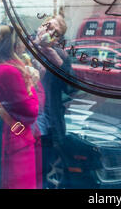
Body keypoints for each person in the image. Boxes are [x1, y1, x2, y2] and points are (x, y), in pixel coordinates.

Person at [0, 25, 40, 189]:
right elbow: (31, 110)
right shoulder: (11, 71)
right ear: (15, 44)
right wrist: (31, 83)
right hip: (15, 142)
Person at [33, 13, 72, 188]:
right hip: (22, 122)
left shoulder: (60, 56)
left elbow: (72, 87)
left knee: (45, 168)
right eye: (49, 27)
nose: (50, 32)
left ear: (58, 40)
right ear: (42, 25)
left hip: (48, 124)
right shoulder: (22, 47)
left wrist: (54, 56)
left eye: (55, 33)